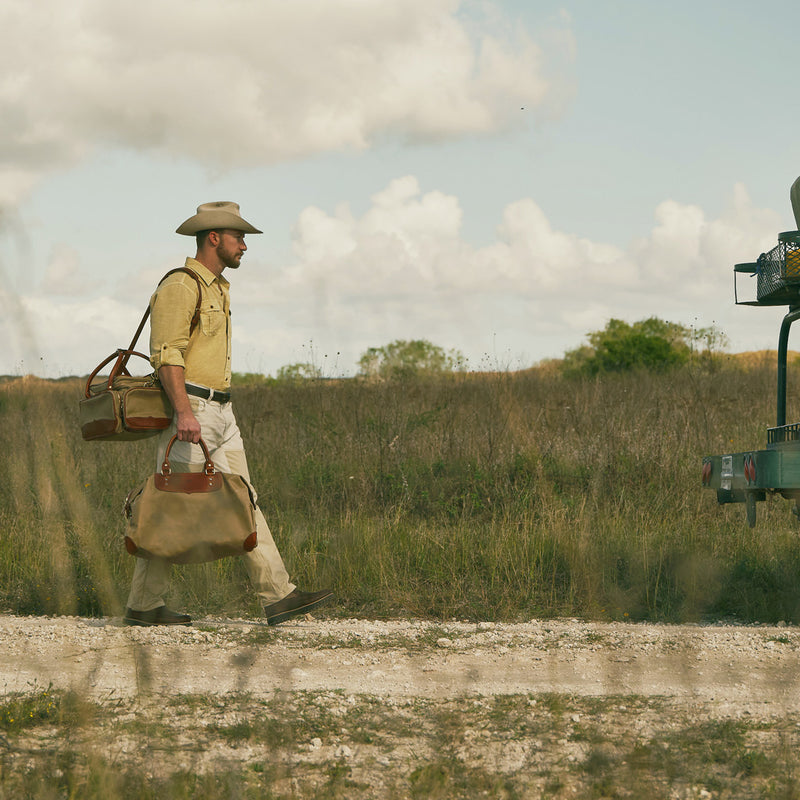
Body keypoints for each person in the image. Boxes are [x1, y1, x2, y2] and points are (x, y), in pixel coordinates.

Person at [123, 201, 333, 627]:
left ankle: (278, 596)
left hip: (222, 411)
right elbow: (167, 356)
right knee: (173, 506)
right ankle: (144, 605)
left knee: (244, 499)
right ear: (213, 238)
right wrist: (183, 411)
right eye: (239, 238)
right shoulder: (181, 286)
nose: (244, 246)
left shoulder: (218, 287)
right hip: (192, 410)